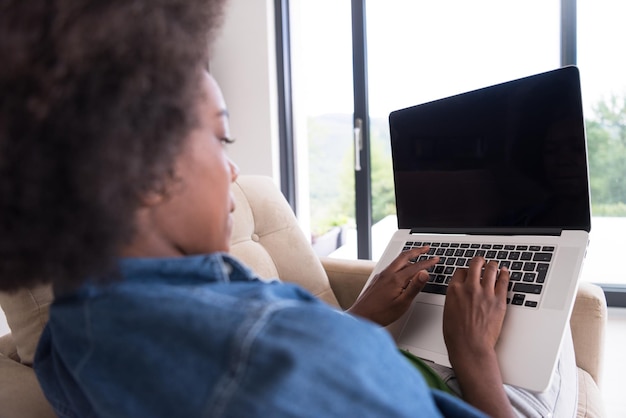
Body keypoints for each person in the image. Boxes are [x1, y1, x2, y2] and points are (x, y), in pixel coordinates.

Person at [0, 1, 576, 417]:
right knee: (558, 326)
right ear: (148, 171)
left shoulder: (70, 334)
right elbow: (285, 366)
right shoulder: (301, 356)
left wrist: (360, 319)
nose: (231, 169)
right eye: (221, 139)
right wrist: (472, 357)